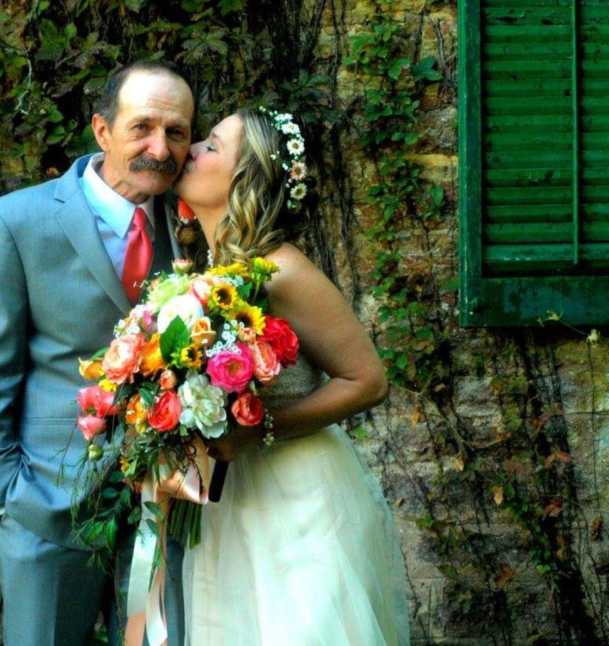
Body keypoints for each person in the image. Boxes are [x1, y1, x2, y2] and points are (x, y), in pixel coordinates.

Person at [0, 61, 194, 645]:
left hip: (164, 509)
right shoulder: (18, 221)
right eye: (142, 127)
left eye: (177, 132)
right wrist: (2, 496)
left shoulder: (197, 224)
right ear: (102, 130)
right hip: (44, 503)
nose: (159, 148)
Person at [174, 107, 411, 645]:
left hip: (296, 493)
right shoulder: (206, 272)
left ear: (246, 178)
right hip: (231, 498)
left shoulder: (282, 268)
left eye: (212, 145)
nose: (190, 149)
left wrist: (259, 430)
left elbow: (367, 380)